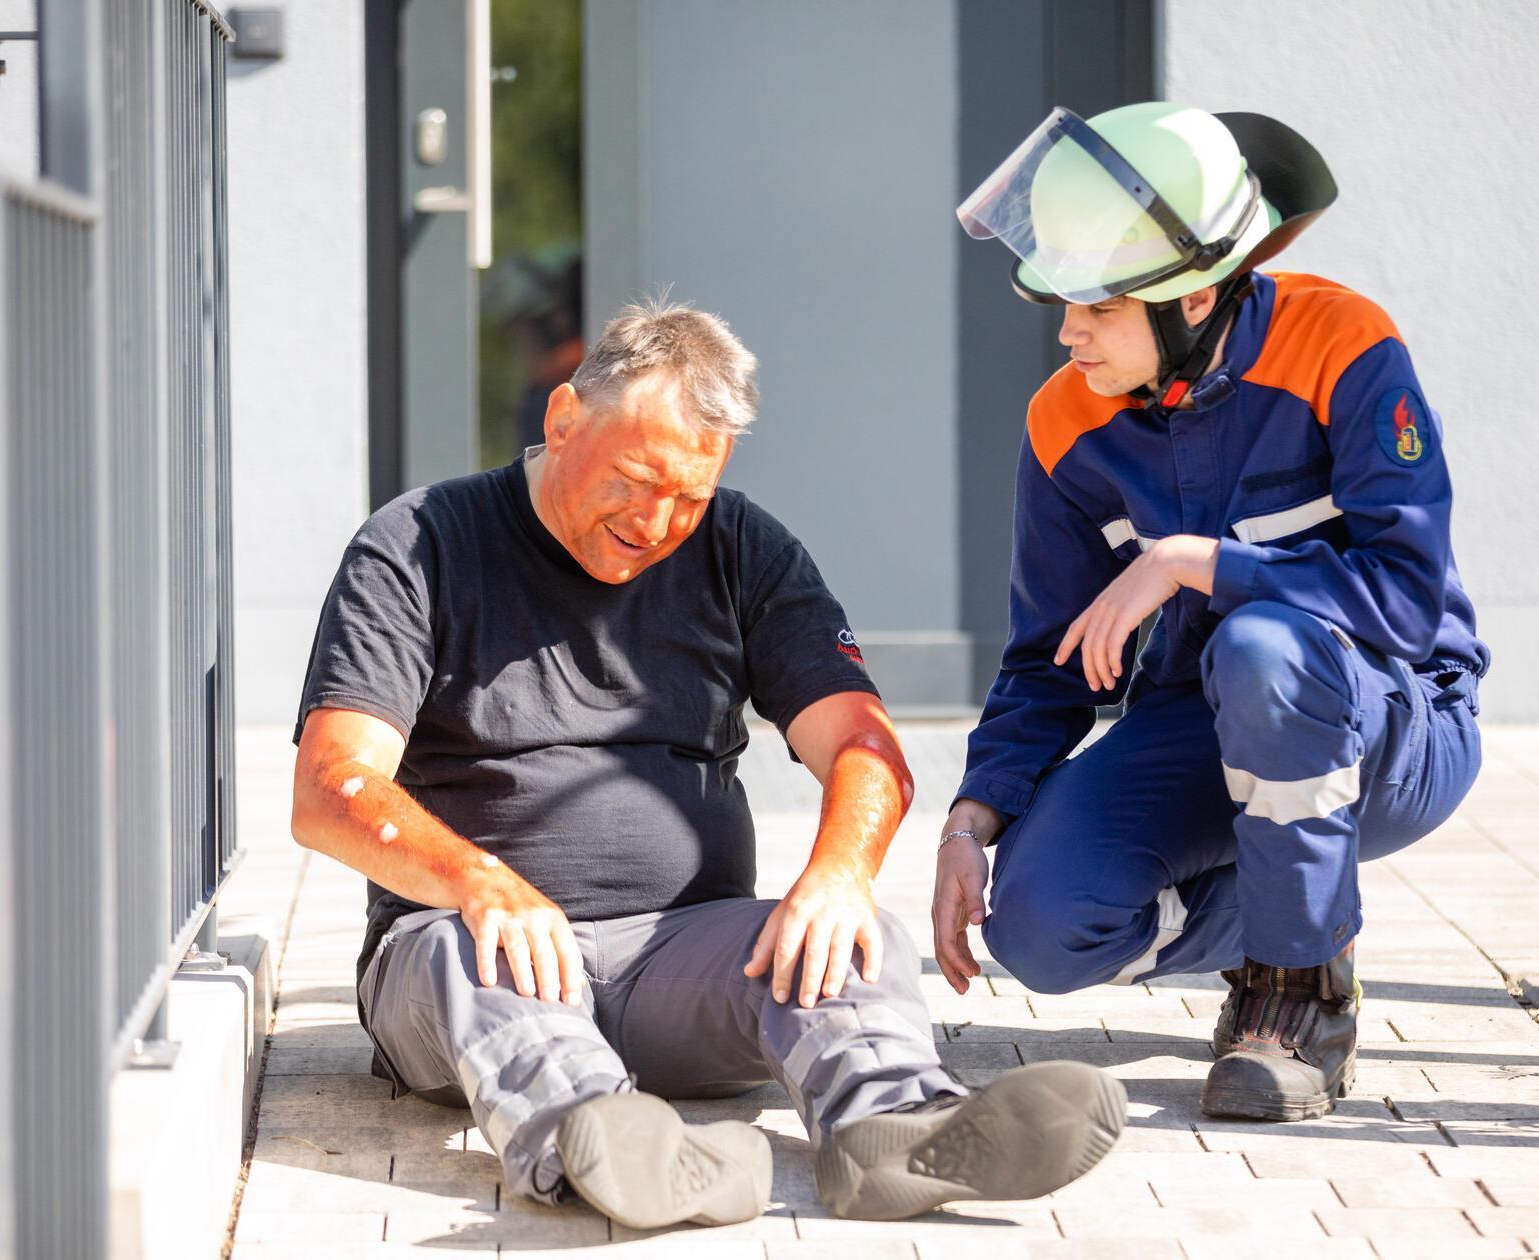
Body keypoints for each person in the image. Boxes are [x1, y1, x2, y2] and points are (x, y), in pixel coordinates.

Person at [290, 299, 1125, 1229]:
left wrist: (839, 877)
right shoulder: (419, 543)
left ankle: (898, 1132)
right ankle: (595, 1141)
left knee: (853, 936)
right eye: (637, 478)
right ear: (563, 418)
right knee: (461, 951)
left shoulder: (741, 548)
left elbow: (863, 743)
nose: (656, 521)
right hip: (467, 963)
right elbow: (333, 789)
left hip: (681, 958)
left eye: (688, 496)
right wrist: (477, 882)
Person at [933, 102, 1490, 1121]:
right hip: (1200, 719)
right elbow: (1045, 660)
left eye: (1095, 308)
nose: (1068, 332)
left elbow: (1409, 602)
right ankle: (1297, 913)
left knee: (1263, 646)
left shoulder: (1343, 343)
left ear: (1190, 299)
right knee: (1039, 925)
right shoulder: (1066, 418)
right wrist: (974, 816)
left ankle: (1302, 997)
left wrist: (1196, 564)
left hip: (1395, 717)